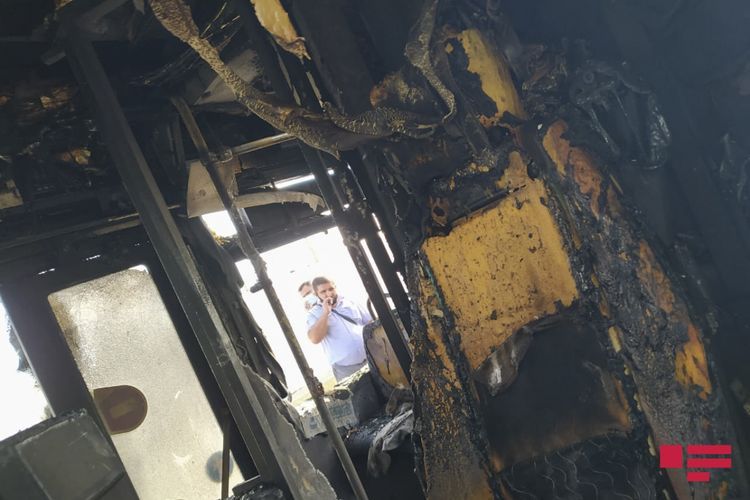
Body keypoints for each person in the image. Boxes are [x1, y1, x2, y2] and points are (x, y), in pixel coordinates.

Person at [306, 276, 372, 381]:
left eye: (331, 289)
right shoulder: (313, 314)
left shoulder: (350, 301)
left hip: (372, 358)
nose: (329, 294)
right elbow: (315, 339)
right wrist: (325, 313)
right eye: (323, 292)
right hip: (346, 369)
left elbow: (370, 323)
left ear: (335, 287)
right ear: (316, 294)